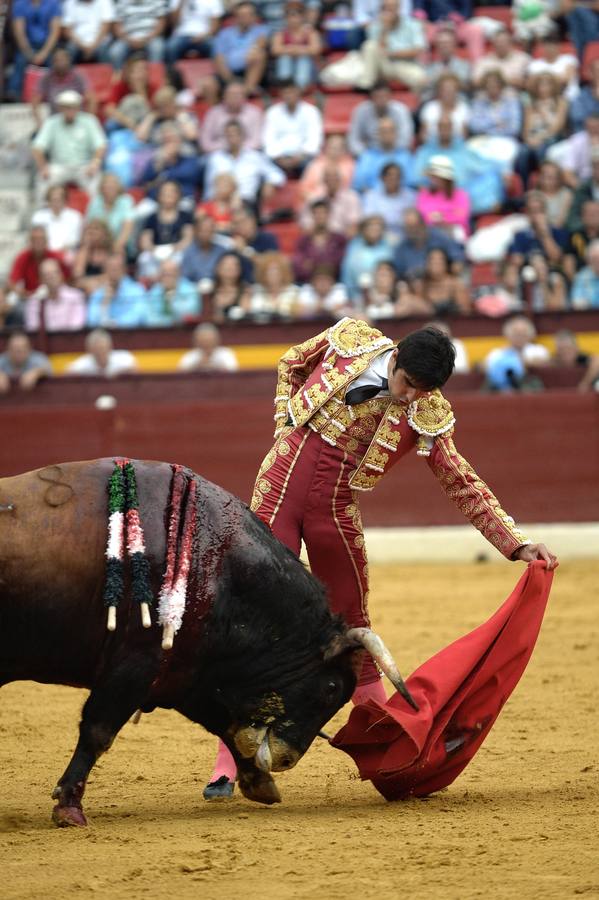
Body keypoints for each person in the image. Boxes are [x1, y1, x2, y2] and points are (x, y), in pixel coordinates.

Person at [203, 317, 557, 798]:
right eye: (408, 383)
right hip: (276, 490)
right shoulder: (351, 338)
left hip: (335, 511)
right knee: (256, 619)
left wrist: (514, 542)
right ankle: (232, 760)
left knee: (355, 623)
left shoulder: (426, 409)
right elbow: (291, 361)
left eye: (422, 390)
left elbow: (459, 479)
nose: (411, 397)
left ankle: (389, 749)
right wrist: (286, 421)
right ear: (395, 360)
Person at [31, 90, 107, 203]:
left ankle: (97, 217)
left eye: (73, 107)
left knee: (97, 184)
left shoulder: (89, 121)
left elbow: (101, 145)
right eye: (66, 107)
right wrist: (43, 167)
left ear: (78, 108)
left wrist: (95, 163)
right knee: (43, 180)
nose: (70, 110)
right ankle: (43, 214)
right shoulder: (51, 122)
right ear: (60, 108)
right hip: (58, 166)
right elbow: (37, 147)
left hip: (84, 166)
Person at [204, 119, 286, 205]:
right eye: (229, 135)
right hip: (222, 203)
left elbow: (277, 175)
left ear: (242, 136)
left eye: (235, 135)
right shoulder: (216, 158)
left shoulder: (255, 157)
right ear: (225, 137)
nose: (232, 139)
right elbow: (209, 187)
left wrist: (269, 183)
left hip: (247, 202)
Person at [353, 0, 427, 92]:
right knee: (369, 45)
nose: (388, 11)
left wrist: (393, 54)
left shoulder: (413, 24)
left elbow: (418, 50)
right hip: (383, 65)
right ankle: (366, 84)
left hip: (405, 64)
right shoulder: (376, 26)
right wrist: (385, 29)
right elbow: (376, 50)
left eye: (391, 8)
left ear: (398, 8)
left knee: (420, 78)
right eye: (385, 8)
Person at [262, 80, 323, 176]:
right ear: (281, 94)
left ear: (298, 92)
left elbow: (314, 139)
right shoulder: (273, 112)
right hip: (278, 158)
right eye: (285, 92)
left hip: (303, 157)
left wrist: (299, 157)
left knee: (314, 167)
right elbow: (268, 139)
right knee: (262, 166)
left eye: (291, 92)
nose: (288, 96)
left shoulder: (311, 112)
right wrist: (279, 158)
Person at [6, 0, 61, 100]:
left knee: (56, 61)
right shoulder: (20, 4)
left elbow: (54, 32)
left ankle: (56, 93)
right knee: (20, 61)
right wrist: (29, 53)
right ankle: (14, 94)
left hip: (47, 46)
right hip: (27, 46)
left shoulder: (53, 3)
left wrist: (44, 53)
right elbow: (19, 33)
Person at [211, 1, 269, 96]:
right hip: (228, 73)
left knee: (259, 55)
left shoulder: (262, 30)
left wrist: (249, 54)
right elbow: (219, 57)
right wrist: (230, 80)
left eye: (248, 15)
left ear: (254, 16)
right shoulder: (224, 33)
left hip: (248, 71)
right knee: (208, 84)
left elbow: (260, 45)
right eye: (242, 15)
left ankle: (246, 91)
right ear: (235, 17)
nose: (245, 18)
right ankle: (216, 110)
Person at [393, 207, 465, 279]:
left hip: (442, 282)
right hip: (415, 285)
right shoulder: (402, 248)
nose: (413, 230)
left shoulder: (439, 237)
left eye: (415, 226)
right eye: (408, 227)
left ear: (423, 224)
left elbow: (457, 257)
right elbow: (399, 274)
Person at [138, 123, 203, 203]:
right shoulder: (156, 161)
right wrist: (158, 166)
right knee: (142, 211)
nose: (170, 144)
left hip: (183, 199)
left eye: (173, 140)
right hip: (157, 200)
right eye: (166, 141)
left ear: (180, 141)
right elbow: (144, 183)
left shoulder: (189, 158)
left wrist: (170, 166)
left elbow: (191, 175)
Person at [483, 315, 550, 391]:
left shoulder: (538, 350)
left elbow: (544, 362)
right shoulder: (497, 353)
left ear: (530, 335)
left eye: (523, 334)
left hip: (529, 387)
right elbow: (486, 367)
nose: (519, 337)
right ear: (508, 335)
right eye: (516, 334)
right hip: (500, 390)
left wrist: (523, 362)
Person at [348, 81, 414, 157]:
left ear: (390, 97)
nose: (381, 100)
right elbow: (353, 139)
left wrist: (389, 154)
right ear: (371, 98)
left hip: (396, 153)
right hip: (369, 153)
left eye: (384, 96)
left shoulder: (400, 110)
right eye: (378, 97)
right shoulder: (361, 111)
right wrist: (366, 155)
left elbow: (406, 138)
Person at [352, 117, 416, 194]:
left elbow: (411, 184)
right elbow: (359, 184)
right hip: (373, 200)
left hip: (400, 199)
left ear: (396, 134)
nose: (387, 134)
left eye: (390, 131)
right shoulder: (367, 157)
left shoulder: (406, 157)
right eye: (383, 131)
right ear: (378, 134)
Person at [415, 155, 471, 243]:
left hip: (453, 234)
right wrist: (448, 215)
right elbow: (424, 216)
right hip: (430, 233)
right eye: (432, 176)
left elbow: (461, 218)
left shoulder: (460, 195)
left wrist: (441, 218)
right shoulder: (424, 194)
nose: (433, 179)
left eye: (436, 176)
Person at [200, 81, 265, 153]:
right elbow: (205, 143)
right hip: (218, 153)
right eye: (231, 94)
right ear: (223, 96)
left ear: (245, 97)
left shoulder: (254, 113)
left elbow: (257, 141)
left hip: (248, 153)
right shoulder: (213, 113)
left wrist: (237, 149)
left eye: (238, 94)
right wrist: (227, 147)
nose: (235, 97)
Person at [270, 1, 322, 90]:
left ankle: (300, 87)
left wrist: (292, 48)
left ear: (302, 17)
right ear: (285, 18)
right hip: (287, 64)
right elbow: (275, 50)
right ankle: (286, 86)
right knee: (284, 58)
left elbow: (316, 50)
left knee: (303, 59)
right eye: (290, 16)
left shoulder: (310, 32)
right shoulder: (281, 33)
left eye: (296, 15)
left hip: (309, 69)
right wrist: (300, 49)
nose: (293, 19)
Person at [293, 199, 347, 284]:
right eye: (316, 213)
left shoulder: (339, 239)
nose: (320, 216)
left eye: (323, 213)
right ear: (312, 215)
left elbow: (341, 265)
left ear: (329, 215)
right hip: (308, 285)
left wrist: (314, 265)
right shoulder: (303, 241)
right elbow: (299, 268)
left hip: (336, 284)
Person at [25, 258, 86, 332]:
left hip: (71, 341)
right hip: (43, 343)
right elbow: (33, 329)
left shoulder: (76, 296)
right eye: (47, 275)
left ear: (61, 275)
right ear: (40, 280)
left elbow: (76, 327)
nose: (52, 277)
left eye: (55, 272)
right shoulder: (34, 302)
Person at [87, 252, 148, 327]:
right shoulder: (97, 294)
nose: (114, 272)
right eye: (111, 268)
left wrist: (116, 324)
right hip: (105, 335)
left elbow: (140, 315)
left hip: (129, 335)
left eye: (117, 268)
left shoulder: (136, 290)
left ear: (124, 270)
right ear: (105, 271)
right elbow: (91, 321)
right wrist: (105, 303)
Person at [31, 46, 92, 120]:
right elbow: (35, 100)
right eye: (57, 60)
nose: (60, 63)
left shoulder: (78, 76)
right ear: (52, 62)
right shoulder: (46, 78)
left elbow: (91, 98)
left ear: (69, 60)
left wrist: (88, 121)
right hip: (55, 121)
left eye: (63, 60)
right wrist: (40, 124)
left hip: (77, 120)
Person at [8, 226, 70, 298]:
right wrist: (25, 294)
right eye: (35, 239)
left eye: (41, 239)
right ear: (30, 241)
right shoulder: (23, 257)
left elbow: (68, 278)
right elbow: (12, 282)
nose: (38, 242)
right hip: (30, 298)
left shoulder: (56, 256)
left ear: (46, 241)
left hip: (54, 297)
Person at [299, 167, 362, 238]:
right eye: (328, 178)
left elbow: (354, 226)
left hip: (343, 240)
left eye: (335, 178)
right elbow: (305, 224)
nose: (331, 181)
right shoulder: (314, 198)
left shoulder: (351, 197)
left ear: (340, 180)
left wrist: (339, 240)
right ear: (323, 181)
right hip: (317, 239)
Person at [341, 214, 393, 299]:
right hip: (355, 294)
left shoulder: (387, 249)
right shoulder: (353, 246)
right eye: (371, 227)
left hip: (381, 296)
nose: (374, 230)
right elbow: (347, 271)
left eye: (377, 228)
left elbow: (389, 274)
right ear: (364, 230)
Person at [107, 0, 168, 70]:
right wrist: (129, 40)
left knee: (158, 48)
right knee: (115, 52)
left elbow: (162, 23)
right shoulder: (121, 2)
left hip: (151, 37)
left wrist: (148, 38)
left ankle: (155, 78)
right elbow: (117, 26)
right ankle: (118, 78)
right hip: (128, 39)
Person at [361, 162, 416, 238]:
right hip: (379, 237)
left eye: (397, 176)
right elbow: (369, 219)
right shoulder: (371, 196)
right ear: (382, 178)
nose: (393, 179)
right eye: (390, 175)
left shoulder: (410, 196)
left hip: (404, 237)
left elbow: (412, 220)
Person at [86, 173, 136, 253]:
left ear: (118, 187)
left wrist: (117, 246)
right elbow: (88, 226)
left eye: (113, 185)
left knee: (116, 254)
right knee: (84, 250)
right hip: (97, 244)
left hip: (120, 244)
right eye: (107, 185)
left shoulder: (126, 201)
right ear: (102, 188)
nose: (110, 188)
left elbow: (128, 227)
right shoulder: (95, 201)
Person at [31, 184, 83, 256]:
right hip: (44, 254)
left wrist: (60, 252)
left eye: (59, 199)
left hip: (67, 255)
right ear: (48, 200)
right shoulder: (38, 216)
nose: (56, 202)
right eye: (53, 199)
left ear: (65, 200)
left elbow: (75, 240)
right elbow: (36, 239)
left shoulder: (75, 217)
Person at [472, 26, 530, 91]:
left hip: (515, 94)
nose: (501, 45)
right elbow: (475, 82)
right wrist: (509, 80)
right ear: (493, 44)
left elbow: (529, 83)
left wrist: (498, 79)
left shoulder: (523, 59)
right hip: (487, 95)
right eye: (498, 42)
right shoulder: (483, 61)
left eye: (504, 42)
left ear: (511, 43)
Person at [165, 0, 223, 64]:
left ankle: (216, 73)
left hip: (205, 36)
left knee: (216, 46)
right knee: (171, 46)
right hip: (181, 36)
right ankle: (171, 71)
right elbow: (173, 23)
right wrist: (181, 3)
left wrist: (203, 36)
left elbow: (215, 27)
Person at [145, 258, 200, 325]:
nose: (167, 278)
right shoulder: (154, 291)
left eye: (170, 274)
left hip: (184, 330)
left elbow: (192, 312)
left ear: (178, 273)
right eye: (164, 274)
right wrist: (166, 323)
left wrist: (172, 300)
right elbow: (149, 317)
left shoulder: (190, 289)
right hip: (159, 331)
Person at [66, 328, 138, 376]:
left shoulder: (124, 358)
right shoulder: (83, 364)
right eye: (96, 349)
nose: (100, 352)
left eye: (102, 348)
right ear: (90, 351)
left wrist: (119, 373)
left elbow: (135, 370)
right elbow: (69, 372)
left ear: (109, 347)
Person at [180, 215, 229, 283]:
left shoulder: (222, 252)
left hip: (217, 289)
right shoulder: (188, 252)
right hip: (193, 290)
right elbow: (185, 278)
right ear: (196, 231)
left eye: (209, 231)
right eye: (203, 231)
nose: (206, 234)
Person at [570, 239, 599, 309]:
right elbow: (576, 303)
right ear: (588, 260)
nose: (597, 262)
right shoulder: (582, 277)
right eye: (594, 259)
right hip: (589, 317)